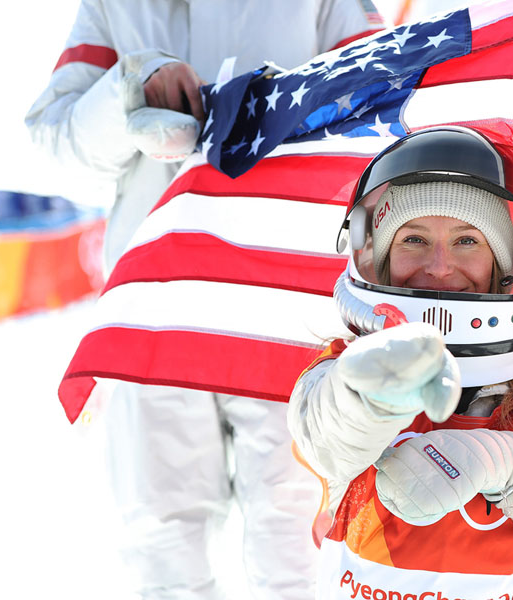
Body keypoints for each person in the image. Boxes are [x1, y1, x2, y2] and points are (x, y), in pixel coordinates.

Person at [25, 2, 383, 599]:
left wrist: (291, 116)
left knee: (299, 551)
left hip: (284, 309)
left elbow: (389, 97)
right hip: (156, 311)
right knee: (162, 550)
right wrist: (129, 92)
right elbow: (55, 141)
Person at [287, 126, 513, 598]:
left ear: (511, 261)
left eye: (467, 241)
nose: (439, 266)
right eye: (413, 239)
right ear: (377, 255)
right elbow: (330, 438)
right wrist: (376, 392)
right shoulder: (344, 370)